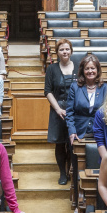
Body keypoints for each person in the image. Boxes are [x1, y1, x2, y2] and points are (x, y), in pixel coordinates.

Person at [45, 39, 76, 185]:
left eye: (67, 49)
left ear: (71, 51)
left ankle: (71, 169)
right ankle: (62, 173)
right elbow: (47, 91)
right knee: (60, 143)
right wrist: (58, 109)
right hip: (57, 109)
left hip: (75, 110)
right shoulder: (52, 69)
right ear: (57, 52)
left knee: (72, 142)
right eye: (62, 49)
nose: (65, 52)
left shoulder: (78, 66)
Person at [66, 55, 107, 145]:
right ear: (82, 71)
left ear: (97, 70)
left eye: (93, 68)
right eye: (87, 68)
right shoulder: (75, 87)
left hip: (100, 132)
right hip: (78, 132)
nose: (90, 71)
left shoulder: (105, 88)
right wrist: (72, 131)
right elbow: (69, 112)